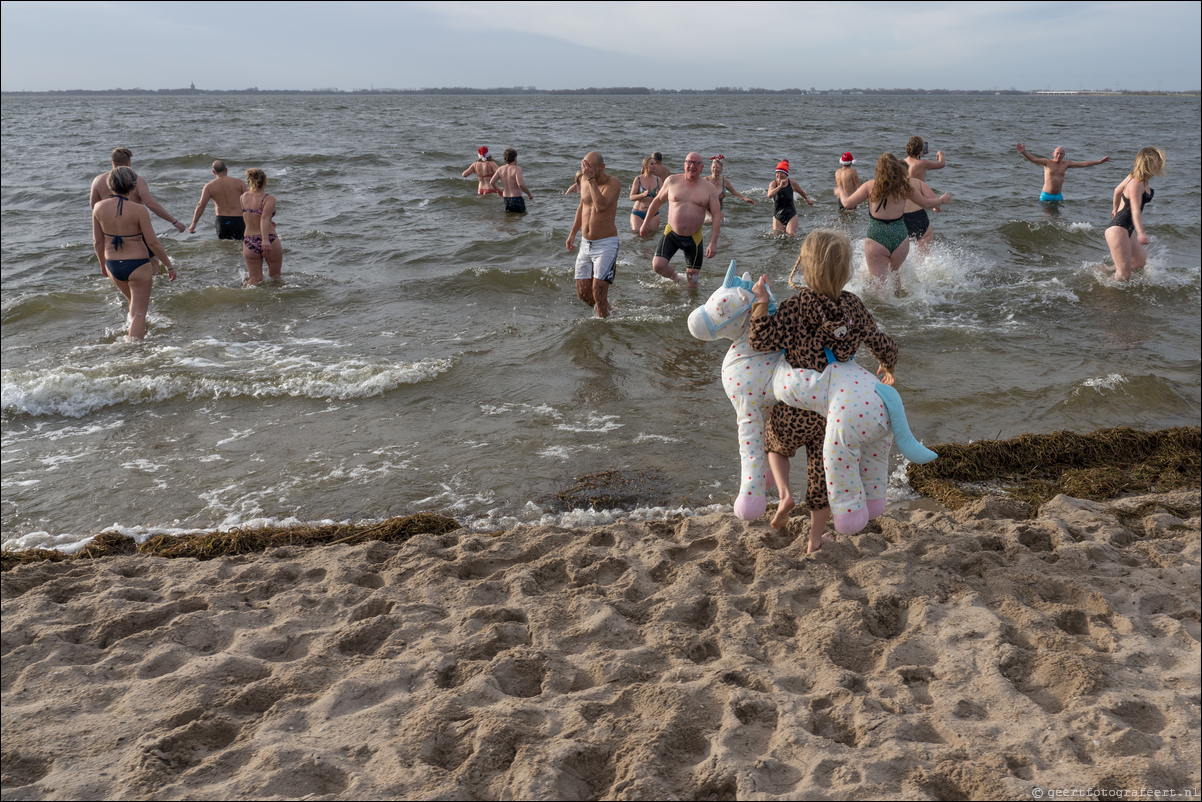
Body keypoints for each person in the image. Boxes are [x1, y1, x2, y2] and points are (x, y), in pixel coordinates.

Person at [748, 229, 899, 551]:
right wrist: (888, 364)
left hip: (794, 407)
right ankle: (815, 539)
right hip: (830, 412)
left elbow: (761, 342)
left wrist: (761, 304)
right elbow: (878, 340)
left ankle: (785, 495)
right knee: (822, 474)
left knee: (773, 442)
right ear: (845, 270)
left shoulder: (795, 306)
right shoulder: (853, 306)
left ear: (806, 266)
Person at [836, 153, 952, 290]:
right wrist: (941, 200)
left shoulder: (870, 186)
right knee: (896, 276)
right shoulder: (904, 187)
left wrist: (840, 192)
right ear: (897, 169)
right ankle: (899, 301)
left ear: (878, 169)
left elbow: (847, 203)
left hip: (877, 237)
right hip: (900, 238)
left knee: (878, 287)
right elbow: (926, 203)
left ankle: (882, 311)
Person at [91, 167, 175, 340]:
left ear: (110, 184)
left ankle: (135, 335)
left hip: (112, 264)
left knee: (132, 304)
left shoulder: (98, 207)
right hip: (137, 264)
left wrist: (102, 265)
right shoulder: (139, 210)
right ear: (132, 186)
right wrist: (169, 265)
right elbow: (152, 242)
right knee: (139, 313)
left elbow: (98, 242)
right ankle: (135, 350)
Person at [89, 147, 185, 275]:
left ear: (111, 160)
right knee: (153, 261)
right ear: (128, 163)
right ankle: (152, 286)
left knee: (117, 261)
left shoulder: (98, 180)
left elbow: (93, 206)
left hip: (110, 230)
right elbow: (151, 204)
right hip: (134, 227)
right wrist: (174, 221)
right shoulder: (136, 179)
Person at [638, 152, 722, 286]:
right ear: (684, 165)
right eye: (689, 162)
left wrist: (713, 243)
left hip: (693, 237)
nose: (692, 166)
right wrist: (645, 223)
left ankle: (691, 304)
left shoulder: (709, 188)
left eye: (696, 163)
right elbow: (657, 201)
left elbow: (717, 215)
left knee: (693, 280)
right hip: (671, 233)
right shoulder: (672, 181)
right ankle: (675, 277)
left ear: (701, 167)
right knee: (658, 266)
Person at [566, 151, 622, 318]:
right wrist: (572, 233)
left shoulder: (613, 183)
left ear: (602, 167)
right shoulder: (584, 180)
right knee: (583, 294)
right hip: (585, 243)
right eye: (584, 168)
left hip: (606, 244)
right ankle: (608, 310)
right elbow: (582, 207)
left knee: (598, 293)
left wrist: (591, 180)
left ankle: (602, 327)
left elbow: (601, 206)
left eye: (591, 168)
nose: (586, 171)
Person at [1105, 147, 1165, 282]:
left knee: (1139, 262)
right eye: (1157, 161)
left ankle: (1101, 271)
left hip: (1126, 228)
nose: (1159, 164)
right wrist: (1141, 233)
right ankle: (1112, 299)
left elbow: (1117, 190)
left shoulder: (1135, 177)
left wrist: (1115, 209)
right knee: (1125, 274)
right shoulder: (1137, 182)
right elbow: (1135, 210)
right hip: (1118, 228)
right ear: (1147, 162)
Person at [1016, 142, 1110, 203]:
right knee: (1045, 219)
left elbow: (1083, 164)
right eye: (1057, 153)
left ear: (1064, 155)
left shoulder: (1066, 164)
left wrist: (1099, 162)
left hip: (1058, 196)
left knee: (1057, 220)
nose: (1059, 155)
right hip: (1046, 195)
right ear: (1053, 154)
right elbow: (1033, 159)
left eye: (1061, 154)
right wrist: (1024, 152)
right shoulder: (1047, 162)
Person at [901, 137, 946, 252]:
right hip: (918, 201)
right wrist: (940, 153)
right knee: (924, 238)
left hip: (902, 206)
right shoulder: (923, 163)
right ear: (921, 150)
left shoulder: (900, 163)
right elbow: (942, 164)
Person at [240, 168, 282, 285]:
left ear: (249, 181)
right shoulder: (269, 198)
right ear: (265, 182)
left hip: (249, 241)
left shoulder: (243, 197)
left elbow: (250, 216)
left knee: (254, 279)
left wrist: (269, 220)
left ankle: (247, 300)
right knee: (275, 277)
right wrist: (265, 240)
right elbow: (263, 218)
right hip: (269, 239)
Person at [188, 160, 248, 239]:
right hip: (238, 219)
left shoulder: (209, 186)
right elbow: (249, 199)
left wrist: (194, 223)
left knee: (225, 246)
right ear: (226, 170)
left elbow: (201, 205)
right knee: (241, 245)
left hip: (222, 221)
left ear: (213, 172)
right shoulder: (239, 182)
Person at [766, 160, 813, 235]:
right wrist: (780, 187)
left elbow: (800, 191)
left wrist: (806, 199)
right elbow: (769, 195)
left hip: (791, 214)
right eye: (777, 173)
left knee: (791, 235)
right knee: (777, 237)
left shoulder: (792, 183)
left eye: (782, 173)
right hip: (778, 215)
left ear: (786, 174)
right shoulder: (773, 183)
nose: (779, 175)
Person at [704, 155, 756, 222]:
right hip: (706, 208)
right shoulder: (706, 180)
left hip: (719, 208)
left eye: (717, 167)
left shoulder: (724, 181)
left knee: (720, 224)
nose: (715, 169)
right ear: (711, 168)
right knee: (709, 220)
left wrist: (745, 199)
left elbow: (734, 192)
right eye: (713, 167)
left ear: (721, 169)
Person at [489, 148, 533, 213]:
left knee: (509, 219)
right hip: (516, 198)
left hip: (506, 199)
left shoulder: (500, 169)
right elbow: (520, 184)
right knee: (519, 218)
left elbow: (492, 182)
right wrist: (529, 194)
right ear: (515, 157)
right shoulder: (517, 169)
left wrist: (499, 190)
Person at [629, 157, 662, 232]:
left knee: (651, 237)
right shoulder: (638, 179)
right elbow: (631, 197)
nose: (654, 166)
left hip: (653, 214)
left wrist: (659, 195)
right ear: (646, 166)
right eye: (652, 164)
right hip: (638, 213)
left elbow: (664, 199)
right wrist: (642, 195)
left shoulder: (658, 180)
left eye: (655, 164)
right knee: (636, 236)